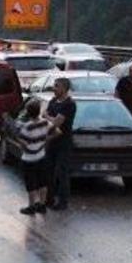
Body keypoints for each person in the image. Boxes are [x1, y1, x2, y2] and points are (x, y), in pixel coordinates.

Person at [16, 99, 57, 215]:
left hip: (28, 159)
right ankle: (42, 205)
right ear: (39, 111)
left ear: (28, 112)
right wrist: (44, 141)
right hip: (41, 156)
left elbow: (23, 142)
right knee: (43, 182)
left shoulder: (27, 127)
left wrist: (20, 140)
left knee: (31, 184)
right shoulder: (45, 122)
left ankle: (31, 206)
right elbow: (55, 131)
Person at [43, 77, 77, 210]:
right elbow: (45, 116)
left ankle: (63, 201)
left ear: (64, 88)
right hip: (52, 140)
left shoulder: (69, 104)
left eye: (56, 86)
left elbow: (57, 122)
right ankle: (49, 198)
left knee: (62, 172)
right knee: (49, 171)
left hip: (64, 142)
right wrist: (48, 117)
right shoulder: (53, 101)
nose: (54, 88)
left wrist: (47, 117)